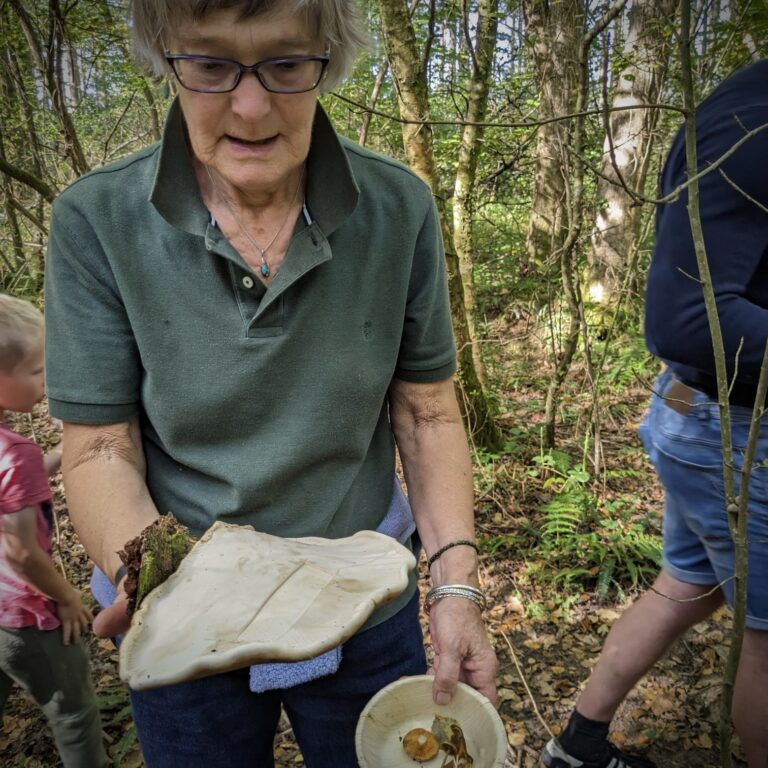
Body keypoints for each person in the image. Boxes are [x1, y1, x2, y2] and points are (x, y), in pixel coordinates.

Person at [43, 1, 498, 765]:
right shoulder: (99, 220)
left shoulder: (397, 209)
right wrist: (159, 578)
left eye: (286, 65)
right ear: (166, 57)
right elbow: (97, 449)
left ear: (329, 57)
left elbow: (427, 416)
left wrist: (455, 587)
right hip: (186, 605)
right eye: (211, 65)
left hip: (363, 596)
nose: (250, 107)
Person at [542, 59, 768, 768]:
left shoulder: (739, 102)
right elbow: (685, 321)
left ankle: (578, 745)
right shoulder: (751, 120)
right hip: (731, 432)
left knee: (689, 587)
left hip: (697, 416)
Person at [0, 294, 108, 768]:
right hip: (29, 615)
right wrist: (66, 596)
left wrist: (62, 453)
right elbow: (21, 552)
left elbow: (10, 496)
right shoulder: (15, 453)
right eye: (39, 370)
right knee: (74, 714)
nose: (49, 379)